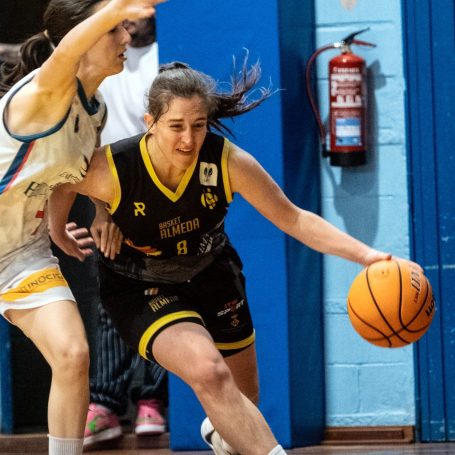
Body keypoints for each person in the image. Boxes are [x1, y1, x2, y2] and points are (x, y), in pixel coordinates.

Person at [49, 59, 414, 455]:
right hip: (141, 283)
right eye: (175, 126)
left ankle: (222, 436)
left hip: (211, 272)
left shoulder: (227, 162)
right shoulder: (113, 167)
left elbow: (293, 218)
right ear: (150, 122)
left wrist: (367, 255)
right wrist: (61, 228)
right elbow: (61, 181)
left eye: (198, 125)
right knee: (209, 370)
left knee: (245, 397)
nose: (188, 139)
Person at [0, 1, 164, 454]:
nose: (126, 38)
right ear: (83, 37)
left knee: (73, 355)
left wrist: (57, 228)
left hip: (19, 254)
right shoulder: (46, 92)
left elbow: (65, 176)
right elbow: (67, 51)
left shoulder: (95, 110)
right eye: (114, 30)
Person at [84, 16, 167, 448]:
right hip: (110, 191)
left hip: (161, 187)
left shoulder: (168, 53)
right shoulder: (99, 54)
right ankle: (106, 404)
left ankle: (152, 399)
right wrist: (101, 210)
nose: (137, 19)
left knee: (165, 293)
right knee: (111, 298)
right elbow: (91, 147)